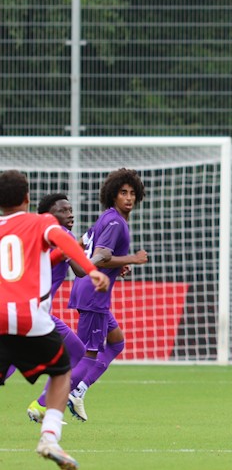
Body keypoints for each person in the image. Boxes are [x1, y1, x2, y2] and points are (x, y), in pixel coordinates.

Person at [0, 170, 109, 469]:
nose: (67, 215)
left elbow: (30, 264)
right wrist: (92, 267)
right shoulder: (43, 224)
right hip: (32, 316)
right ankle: (49, 435)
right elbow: (62, 242)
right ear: (27, 199)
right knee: (64, 369)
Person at [66, 168, 149, 422]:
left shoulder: (108, 218)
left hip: (92, 292)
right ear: (113, 195)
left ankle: (78, 391)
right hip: (95, 294)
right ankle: (46, 403)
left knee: (116, 341)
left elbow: (80, 244)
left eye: (133, 193)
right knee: (85, 356)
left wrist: (115, 264)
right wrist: (132, 259)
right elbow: (101, 254)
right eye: (123, 192)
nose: (129, 198)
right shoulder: (115, 222)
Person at [27, 193, 89, 422]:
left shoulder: (35, 235)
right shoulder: (61, 234)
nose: (70, 213)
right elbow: (81, 270)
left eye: (70, 209)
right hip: (35, 312)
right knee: (76, 351)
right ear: (48, 215)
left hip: (24, 308)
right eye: (63, 210)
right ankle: (42, 404)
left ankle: (42, 405)